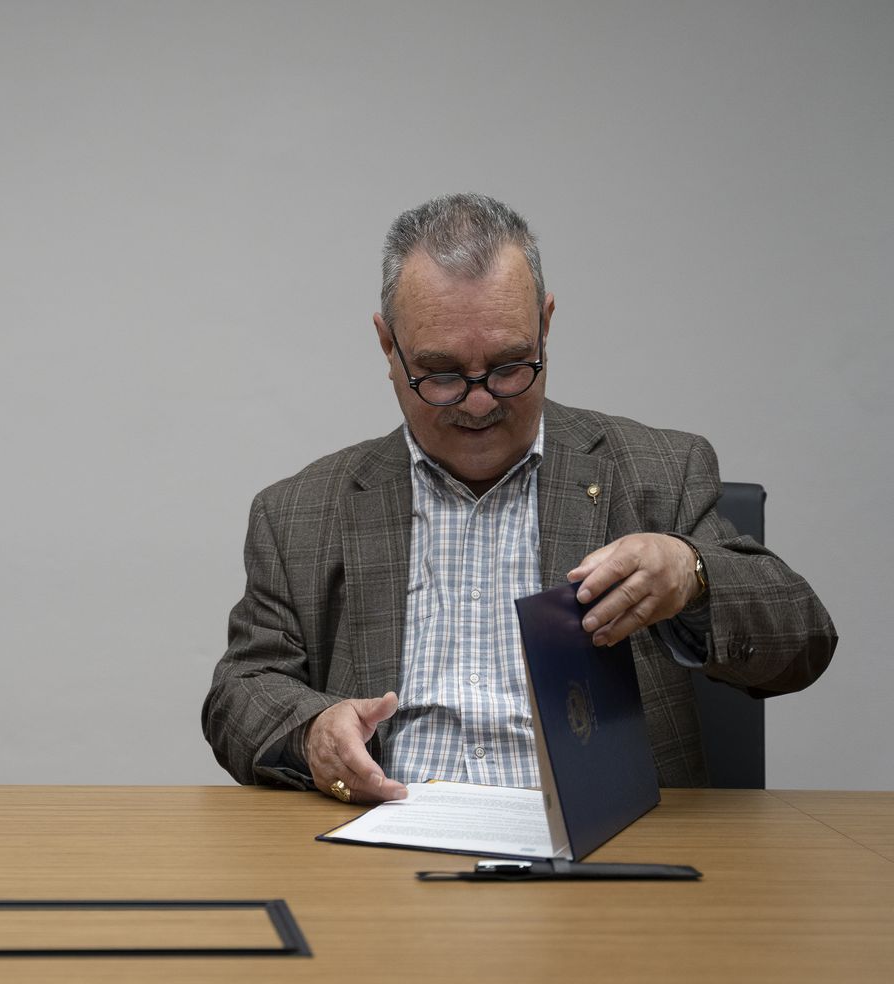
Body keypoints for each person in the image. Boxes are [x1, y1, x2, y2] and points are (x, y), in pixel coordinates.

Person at [203, 192, 835, 803]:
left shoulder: (661, 472)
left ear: (546, 324)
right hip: (384, 841)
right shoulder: (300, 512)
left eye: (510, 366)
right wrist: (313, 733)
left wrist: (693, 573)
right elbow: (240, 690)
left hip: (605, 850)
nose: (480, 402)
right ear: (388, 346)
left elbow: (803, 643)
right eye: (444, 374)